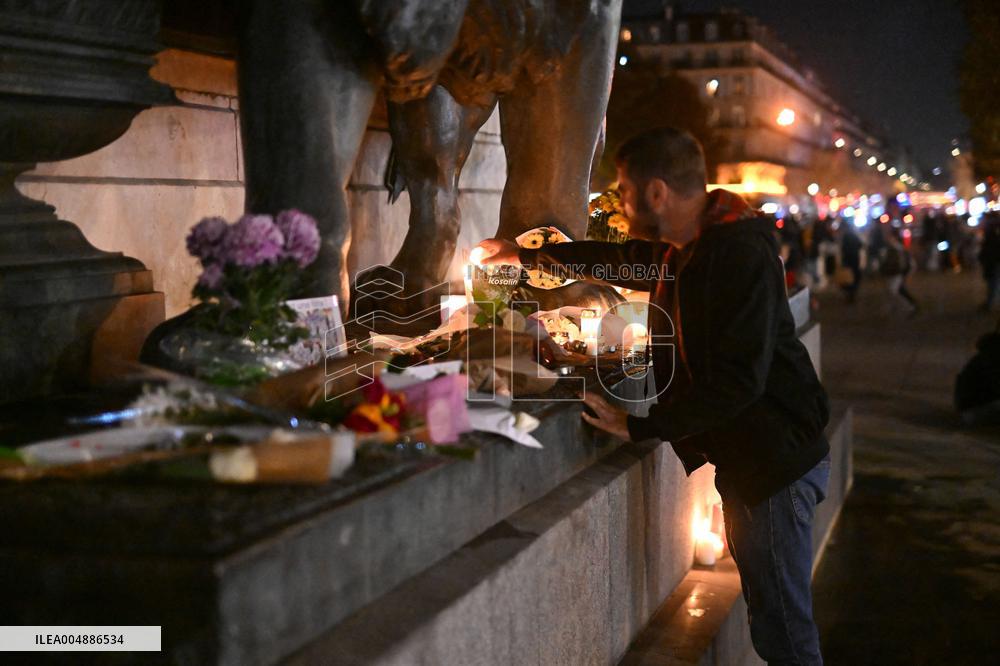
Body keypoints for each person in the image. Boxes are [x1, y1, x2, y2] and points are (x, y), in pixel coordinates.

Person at [477, 127, 831, 665]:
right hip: (757, 462)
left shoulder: (735, 255)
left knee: (785, 633)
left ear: (657, 193)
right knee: (774, 624)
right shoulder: (684, 249)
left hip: (774, 466)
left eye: (623, 189)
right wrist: (527, 258)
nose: (618, 201)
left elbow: (740, 381)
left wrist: (639, 424)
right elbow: (622, 261)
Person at [881, 227, 919, 313]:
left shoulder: (897, 248)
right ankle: (906, 306)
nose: (888, 238)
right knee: (896, 289)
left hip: (897, 272)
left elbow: (902, 262)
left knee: (895, 290)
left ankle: (910, 306)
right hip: (895, 272)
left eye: (890, 236)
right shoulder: (892, 248)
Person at [979, 211, 1000, 312]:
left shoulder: (992, 231)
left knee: (993, 282)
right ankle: (989, 303)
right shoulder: (992, 230)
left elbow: (990, 247)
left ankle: (989, 303)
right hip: (994, 260)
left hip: (994, 260)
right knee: (994, 282)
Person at [839, 224, 863, 303]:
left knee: (848, 278)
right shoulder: (855, 236)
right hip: (855, 259)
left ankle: (848, 294)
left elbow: (842, 248)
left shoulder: (845, 237)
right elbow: (860, 245)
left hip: (847, 260)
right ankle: (852, 294)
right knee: (855, 277)